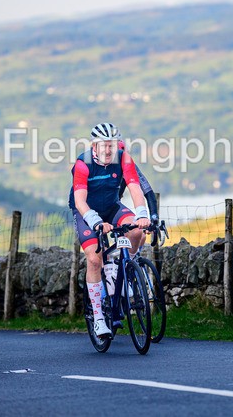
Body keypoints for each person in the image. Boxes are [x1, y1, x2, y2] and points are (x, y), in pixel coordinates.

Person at [69, 122, 151, 337]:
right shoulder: (82, 163)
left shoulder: (123, 157)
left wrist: (142, 214)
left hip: (112, 206)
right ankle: (98, 319)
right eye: (104, 145)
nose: (108, 150)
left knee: (136, 231)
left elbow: (134, 186)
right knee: (95, 259)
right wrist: (95, 221)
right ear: (94, 146)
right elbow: (80, 201)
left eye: (112, 145)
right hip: (86, 212)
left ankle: (124, 267)